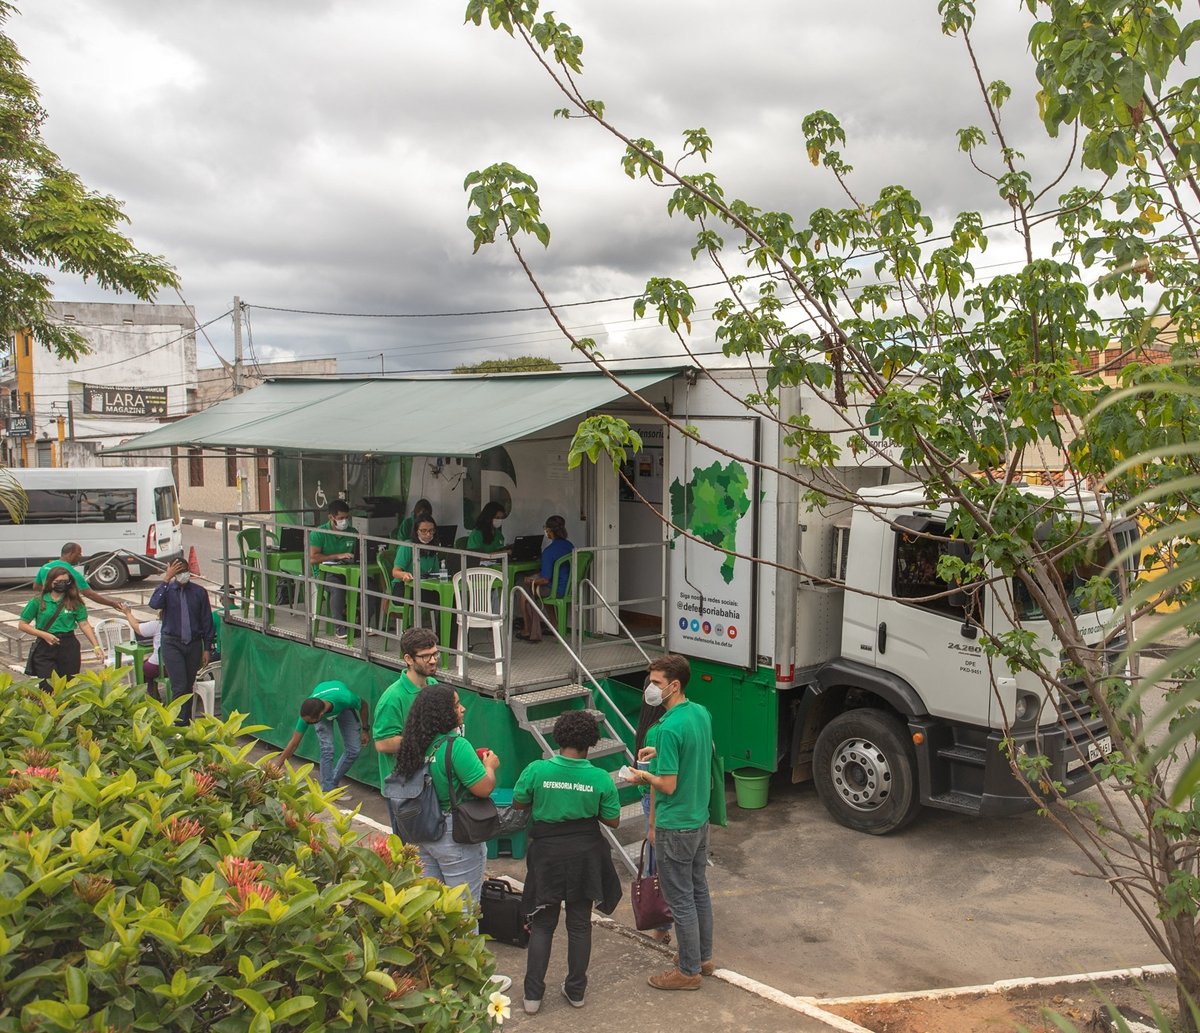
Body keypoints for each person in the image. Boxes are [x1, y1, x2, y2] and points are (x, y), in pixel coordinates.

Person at [512, 710, 622, 1015]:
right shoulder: (599, 777)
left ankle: (532, 996)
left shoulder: (536, 769)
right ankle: (576, 991)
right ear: (592, 743)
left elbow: (520, 803)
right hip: (586, 855)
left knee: (543, 924)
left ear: (557, 737)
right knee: (579, 925)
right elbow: (612, 820)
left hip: (546, 854)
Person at [627, 654, 715, 990]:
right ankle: (703, 958)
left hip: (675, 823)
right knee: (698, 890)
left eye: (656, 683)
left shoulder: (664, 728)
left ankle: (688, 971)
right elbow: (692, 754)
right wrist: (660, 756)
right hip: (698, 818)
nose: (650, 689)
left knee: (679, 898)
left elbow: (667, 785)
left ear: (673, 685)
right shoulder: (699, 714)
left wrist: (642, 775)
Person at [391, 684, 499, 907]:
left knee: (432, 908)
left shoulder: (413, 744)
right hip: (454, 835)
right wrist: (490, 766)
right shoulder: (457, 746)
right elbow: (484, 788)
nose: (463, 709)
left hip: (421, 832)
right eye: (456, 705)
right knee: (463, 910)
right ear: (442, 713)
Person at [373, 626, 441, 830]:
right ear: (408, 659)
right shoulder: (393, 698)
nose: (433, 660)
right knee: (408, 853)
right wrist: (426, 738)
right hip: (403, 791)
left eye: (435, 654)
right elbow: (383, 744)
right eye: (425, 656)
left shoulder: (433, 684)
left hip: (430, 783)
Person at [148, 557, 215, 724]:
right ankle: (179, 724)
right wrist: (166, 579)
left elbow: (206, 620)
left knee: (188, 685)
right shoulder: (168, 591)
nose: (182, 575)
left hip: (193, 644)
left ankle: (186, 720)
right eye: (178, 572)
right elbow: (154, 603)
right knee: (179, 685)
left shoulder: (199, 592)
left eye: (184, 571)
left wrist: (207, 647)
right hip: (172, 643)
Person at [272, 680, 370, 792]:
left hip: (342, 708)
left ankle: (331, 783)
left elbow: (364, 705)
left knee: (354, 750)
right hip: (322, 706)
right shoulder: (308, 713)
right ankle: (328, 789)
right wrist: (276, 768)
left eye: (310, 722)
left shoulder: (345, 698)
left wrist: (365, 730)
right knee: (327, 749)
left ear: (321, 714)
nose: (307, 723)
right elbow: (294, 742)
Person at [18, 572, 105, 689]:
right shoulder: (38, 601)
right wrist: (44, 635)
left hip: (68, 645)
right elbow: (22, 624)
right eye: (58, 582)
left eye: (65, 581)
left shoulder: (75, 602)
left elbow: (84, 624)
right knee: (47, 685)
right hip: (45, 645)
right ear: (50, 582)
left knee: (69, 684)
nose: (61, 584)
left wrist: (96, 646)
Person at [634, 696, 672, 945]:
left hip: (655, 803)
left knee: (656, 869)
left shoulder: (656, 731)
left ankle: (660, 927)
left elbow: (655, 782)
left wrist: (651, 826)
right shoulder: (667, 727)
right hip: (657, 801)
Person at [516, 515, 573, 644]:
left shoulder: (549, 551)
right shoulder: (569, 545)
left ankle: (528, 630)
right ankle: (555, 625)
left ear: (549, 530)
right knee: (541, 591)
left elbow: (545, 580)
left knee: (522, 588)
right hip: (568, 587)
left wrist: (530, 580)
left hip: (555, 589)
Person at [309, 499, 358, 639]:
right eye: (341, 518)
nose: (344, 521)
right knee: (337, 587)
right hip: (325, 574)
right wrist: (337, 556)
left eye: (347, 517)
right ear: (331, 517)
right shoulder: (319, 533)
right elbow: (313, 558)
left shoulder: (353, 532)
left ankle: (363, 626)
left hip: (348, 572)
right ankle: (339, 627)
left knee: (370, 586)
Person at [36, 541, 127, 611]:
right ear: (70, 553)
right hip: (62, 610)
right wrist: (112, 603)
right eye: (78, 553)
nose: (80, 556)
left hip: (45, 607)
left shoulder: (45, 567)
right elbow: (90, 594)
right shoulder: (71, 572)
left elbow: (36, 586)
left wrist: (50, 593)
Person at [391, 515, 440, 630]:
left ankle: (445, 639)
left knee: (451, 601)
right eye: (423, 531)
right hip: (404, 587)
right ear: (416, 531)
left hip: (424, 586)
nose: (428, 534)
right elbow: (395, 571)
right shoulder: (408, 546)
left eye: (431, 531)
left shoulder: (433, 547)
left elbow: (435, 572)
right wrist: (404, 575)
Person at [118, 604, 164, 699]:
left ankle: (152, 695)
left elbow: (136, 627)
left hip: (162, 667)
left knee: (146, 667)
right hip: (184, 663)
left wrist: (128, 613)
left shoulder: (157, 625)